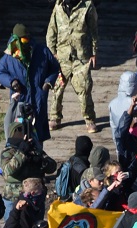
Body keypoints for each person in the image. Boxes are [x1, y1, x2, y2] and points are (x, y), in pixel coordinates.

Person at [0, 25, 61, 143]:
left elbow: (55, 67)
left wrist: (49, 81)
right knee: (19, 135)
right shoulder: (10, 55)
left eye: (27, 39)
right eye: (23, 40)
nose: (26, 42)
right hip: (20, 100)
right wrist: (11, 82)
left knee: (38, 136)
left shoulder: (42, 51)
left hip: (38, 100)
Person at [47, 0, 99, 133]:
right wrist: (51, 52)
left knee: (84, 88)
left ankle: (89, 119)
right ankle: (54, 117)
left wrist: (94, 53)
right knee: (57, 87)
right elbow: (52, 29)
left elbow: (94, 31)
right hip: (62, 56)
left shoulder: (87, 6)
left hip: (81, 57)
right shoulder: (58, 6)